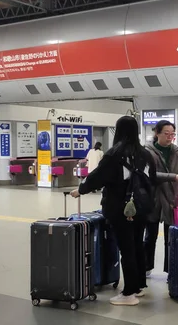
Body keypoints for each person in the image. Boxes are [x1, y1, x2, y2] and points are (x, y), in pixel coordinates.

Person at [69, 116, 156, 306]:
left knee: (127, 249)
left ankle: (129, 293)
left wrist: (80, 190)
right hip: (141, 207)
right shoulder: (145, 154)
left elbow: (96, 178)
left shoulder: (114, 155)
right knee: (137, 245)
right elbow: (153, 180)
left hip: (121, 208)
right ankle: (139, 285)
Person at [143, 120, 178, 277]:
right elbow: (149, 175)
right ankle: (146, 266)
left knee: (171, 237)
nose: (170, 137)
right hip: (153, 197)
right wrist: (173, 177)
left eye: (172, 134)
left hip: (171, 197)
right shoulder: (148, 151)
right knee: (150, 235)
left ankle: (171, 269)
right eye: (166, 134)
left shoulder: (176, 151)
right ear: (157, 133)